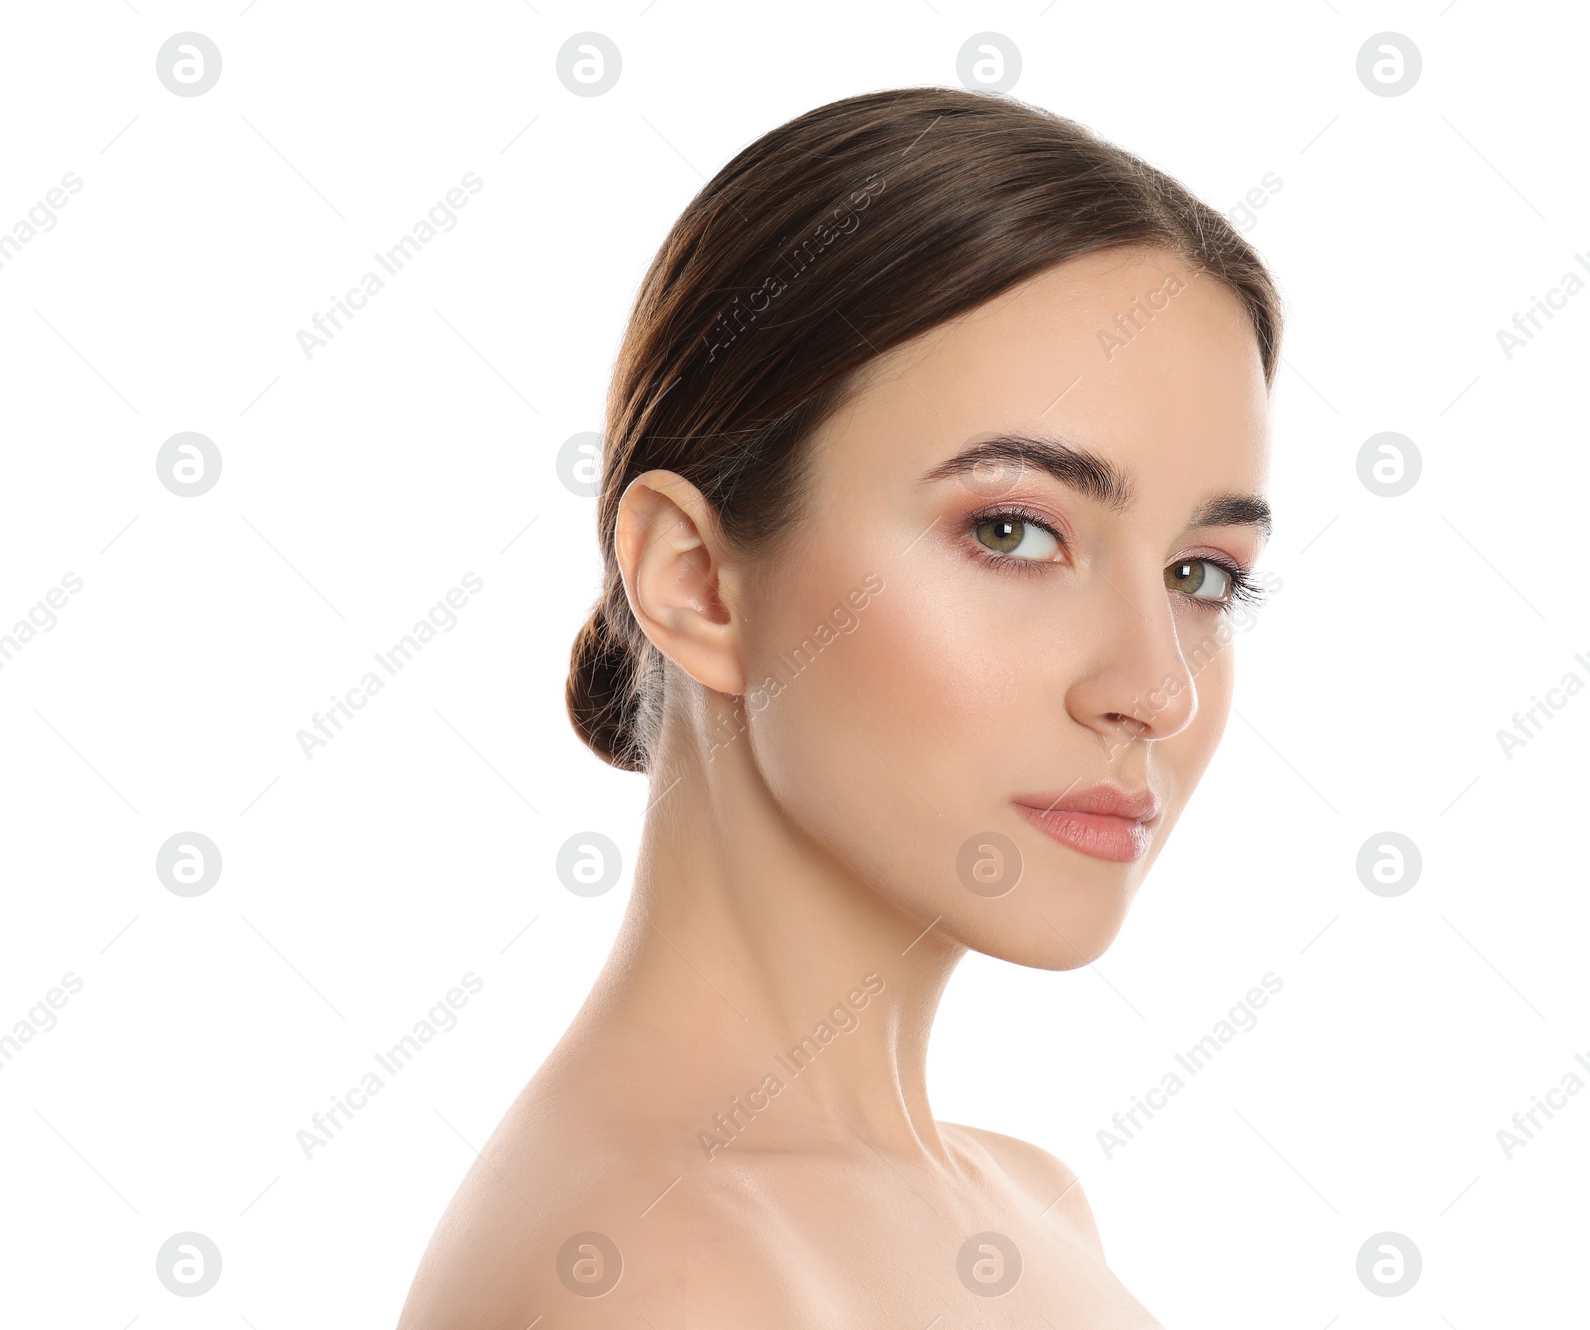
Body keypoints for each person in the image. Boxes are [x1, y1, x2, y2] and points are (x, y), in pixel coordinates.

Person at [397, 85, 1282, 1328]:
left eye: (1201, 574)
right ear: (695, 581)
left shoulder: (1029, 1204)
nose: (1152, 688)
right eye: (1014, 530)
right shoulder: (669, 1279)